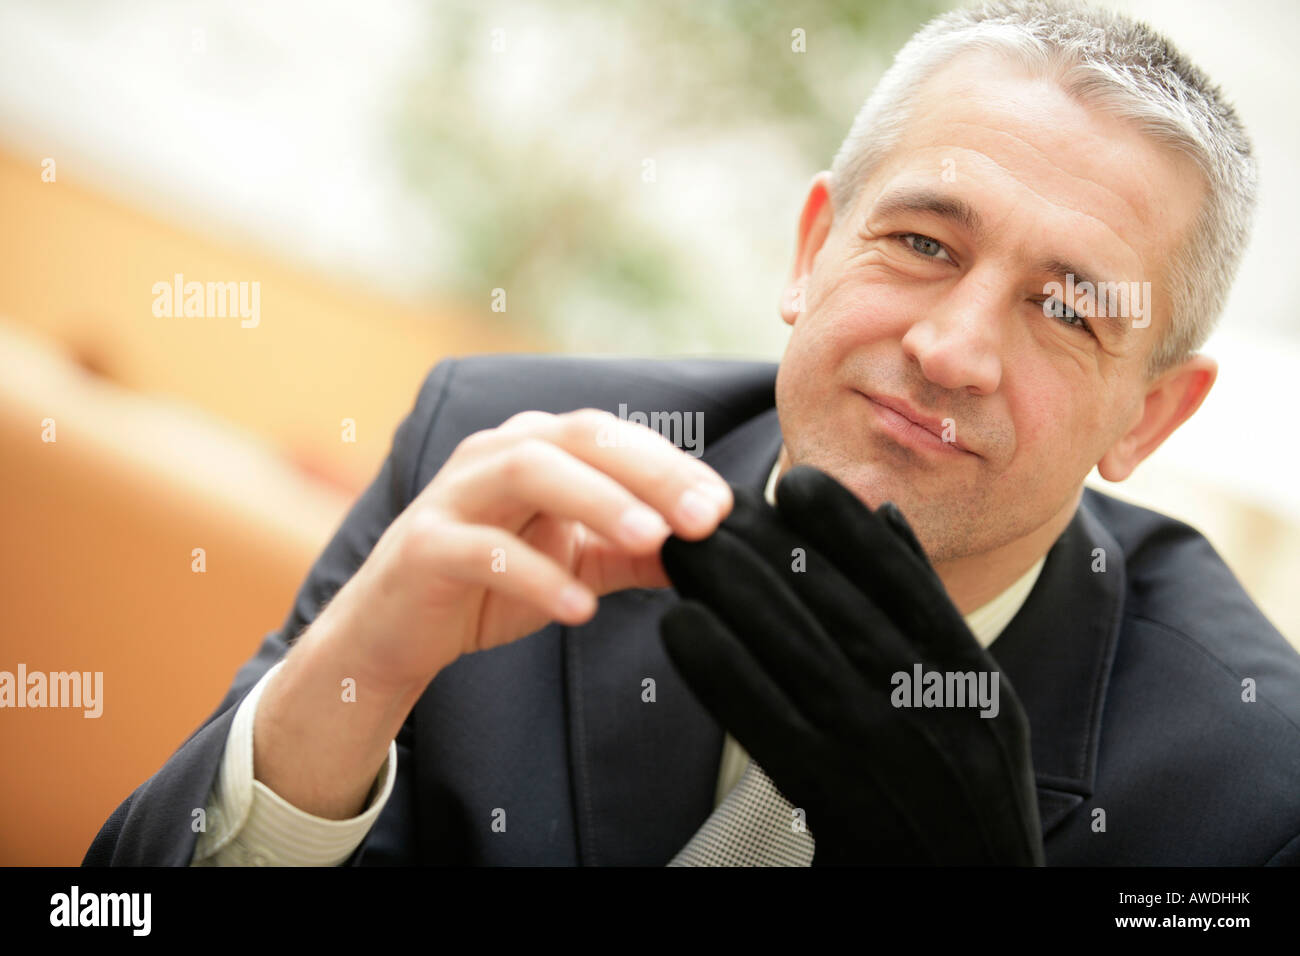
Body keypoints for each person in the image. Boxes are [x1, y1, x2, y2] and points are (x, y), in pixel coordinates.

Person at [85, 0, 1300, 866]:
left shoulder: (1254, 788)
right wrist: (338, 695)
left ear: (1146, 413)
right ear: (811, 249)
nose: (952, 349)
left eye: (1066, 308)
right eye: (923, 242)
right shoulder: (499, 447)